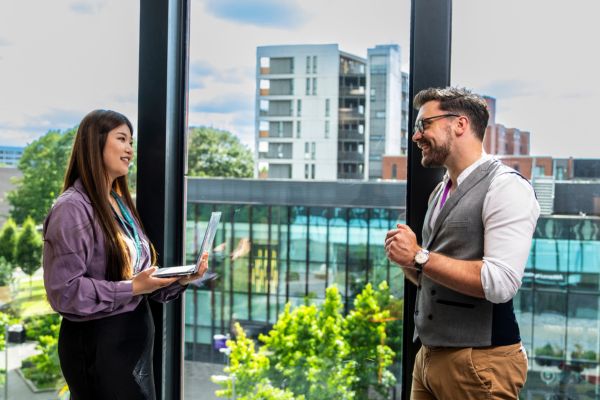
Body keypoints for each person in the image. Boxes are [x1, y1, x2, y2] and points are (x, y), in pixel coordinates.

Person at [385, 87, 540, 400]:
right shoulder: (440, 192)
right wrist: (407, 260)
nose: (416, 137)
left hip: (480, 363)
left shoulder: (506, 187)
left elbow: (500, 283)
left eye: (423, 125)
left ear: (459, 124)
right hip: (427, 358)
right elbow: (432, 275)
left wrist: (418, 256)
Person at [43, 109, 207, 400]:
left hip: (131, 345)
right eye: (122, 139)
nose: (130, 149)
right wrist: (132, 287)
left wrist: (180, 279)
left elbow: (137, 281)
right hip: (99, 348)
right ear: (95, 144)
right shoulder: (72, 208)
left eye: (132, 141)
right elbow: (64, 293)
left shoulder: (118, 202)